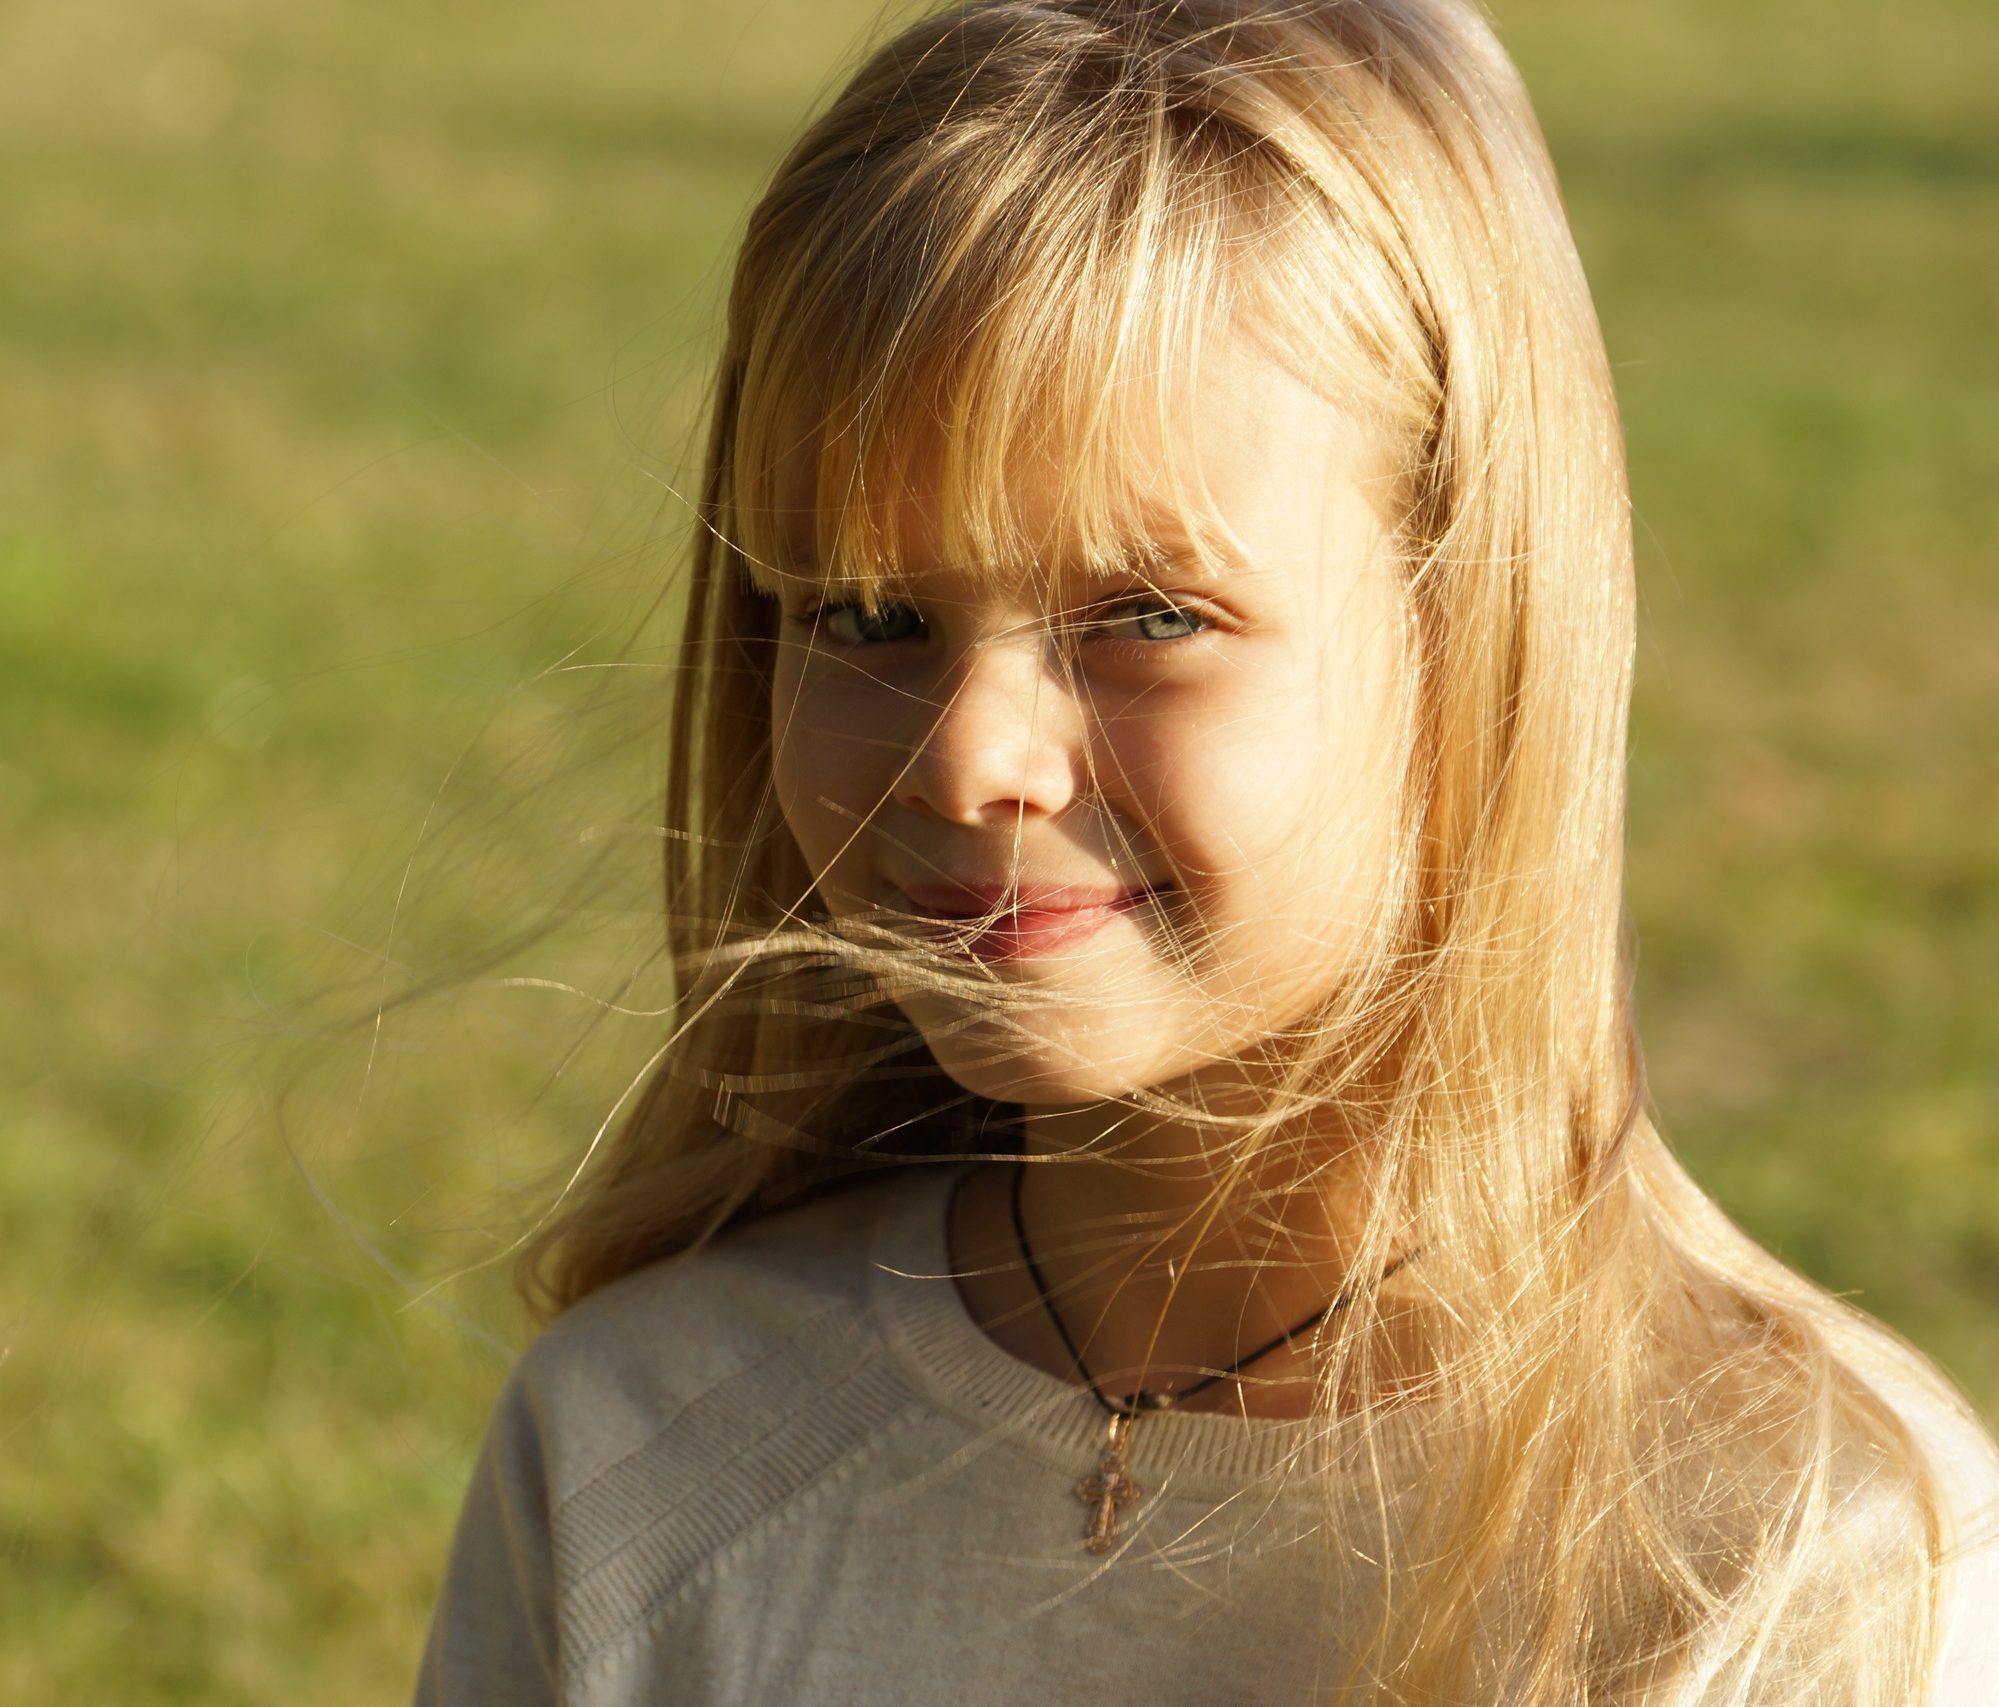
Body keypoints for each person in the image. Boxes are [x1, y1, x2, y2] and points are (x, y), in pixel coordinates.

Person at [414, 1, 1999, 1701]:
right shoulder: (642, 1451)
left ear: (1476, 640)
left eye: (1148, 617)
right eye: (870, 614)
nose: (968, 758)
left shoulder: (1796, 1551)